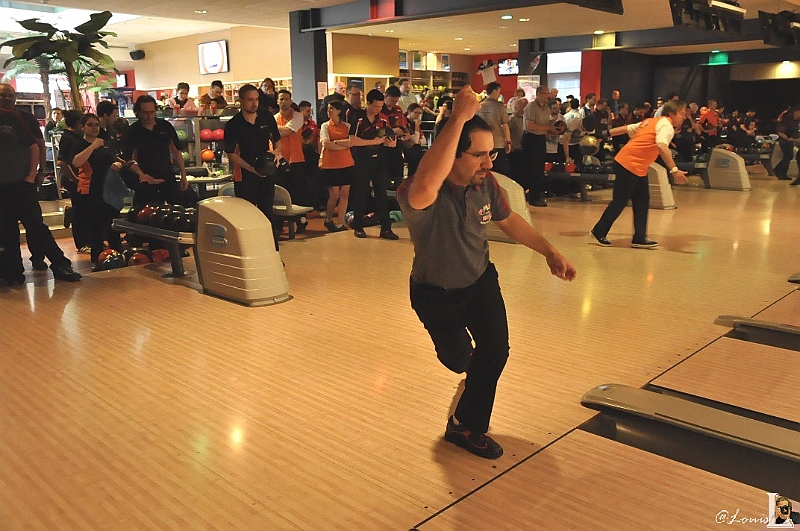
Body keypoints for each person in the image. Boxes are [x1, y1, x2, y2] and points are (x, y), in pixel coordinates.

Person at [396, 84, 576, 459]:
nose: (489, 163)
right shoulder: (418, 192)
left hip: (480, 283)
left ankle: (465, 426)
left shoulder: (486, 184)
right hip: (435, 296)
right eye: (478, 155)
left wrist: (549, 251)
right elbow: (427, 183)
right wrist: (457, 117)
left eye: (491, 153)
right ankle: (469, 378)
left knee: (494, 352)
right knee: (460, 361)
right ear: (451, 154)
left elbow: (508, 220)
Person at [0, 83, 81, 284]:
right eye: (2, 95)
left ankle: (60, 265)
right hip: (3, 188)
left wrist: (34, 174)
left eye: (10, 95)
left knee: (36, 226)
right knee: (7, 230)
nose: (6, 99)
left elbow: (36, 146)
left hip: (21, 183)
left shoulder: (19, 118)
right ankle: (12, 272)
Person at [590, 100, 690, 249]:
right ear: (671, 113)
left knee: (642, 201)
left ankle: (639, 237)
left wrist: (603, 135)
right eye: (682, 113)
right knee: (620, 201)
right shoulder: (666, 126)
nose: (684, 117)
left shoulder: (651, 121)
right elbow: (662, 146)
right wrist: (674, 170)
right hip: (629, 164)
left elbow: (626, 129)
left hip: (635, 165)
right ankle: (599, 231)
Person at [224, 84, 283, 249]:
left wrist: (276, 154)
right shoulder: (233, 124)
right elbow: (231, 154)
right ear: (241, 100)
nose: (254, 103)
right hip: (245, 175)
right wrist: (251, 168)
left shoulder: (266, 117)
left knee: (267, 212)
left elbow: (278, 141)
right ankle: (250, 251)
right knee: (248, 215)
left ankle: (272, 251)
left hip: (266, 172)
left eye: (256, 99)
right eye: (250, 100)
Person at [71, 113, 124, 268]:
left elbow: (112, 159)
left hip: (107, 189)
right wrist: (93, 146)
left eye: (96, 125)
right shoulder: (80, 144)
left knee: (113, 225)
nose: (94, 128)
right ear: (83, 127)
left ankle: (117, 256)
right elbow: (76, 162)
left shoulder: (104, 143)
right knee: (96, 228)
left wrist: (117, 164)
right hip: (91, 190)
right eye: (90, 125)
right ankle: (97, 260)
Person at [347, 89, 398, 240]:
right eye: (375, 106)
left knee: (381, 193)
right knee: (360, 193)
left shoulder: (383, 119)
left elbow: (390, 136)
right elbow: (352, 140)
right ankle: (358, 226)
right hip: (362, 159)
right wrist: (373, 142)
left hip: (380, 160)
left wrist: (392, 143)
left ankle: (386, 228)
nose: (378, 110)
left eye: (380, 107)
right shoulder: (358, 118)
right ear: (368, 103)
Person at [122, 95, 188, 206]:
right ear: (138, 112)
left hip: (167, 175)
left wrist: (183, 175)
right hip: (145, 179)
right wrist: (142, 174)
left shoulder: (165, 126)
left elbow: (176, 152)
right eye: (145, 113)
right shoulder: (133, 131)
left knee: (176, 209)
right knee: (145, 211)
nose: (149, 116)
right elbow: (128, 159)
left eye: (152, 112)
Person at [319, 100, 353, 232]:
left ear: (339, 111)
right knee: (334, 195)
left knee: (345, 194)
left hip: (346, 163)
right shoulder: (325, 126)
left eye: (332, 108)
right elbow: (326, 143)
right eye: (328, 108)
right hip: (331, 164)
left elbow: (351, 142)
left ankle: (340, 222)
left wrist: (336, 143)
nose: (329, 111)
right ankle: (328, 219)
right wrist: (342, 145)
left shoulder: (347, 126)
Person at [523, 85, 559, 207]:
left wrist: (552, 129)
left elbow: (546, 124)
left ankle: (537, 194)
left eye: (548, 94)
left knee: (539, 168)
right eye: (545, 94)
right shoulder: (531, 107)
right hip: (531, 139)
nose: (547, 96)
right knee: (533, 168)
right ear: (538, 94)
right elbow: (530, 126)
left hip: (540, 138)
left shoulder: (546, 108)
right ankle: (533, 197)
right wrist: (548, 128)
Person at [476, 82, 511, 177]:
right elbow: (505, 126)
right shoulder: (500, 107)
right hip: (498, 143)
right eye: (499, 91)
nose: (499, 94)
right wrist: (508, 142)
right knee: (500, 172)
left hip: (482, 143)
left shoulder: (479, 106)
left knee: (484, 170)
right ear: (494, 91)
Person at [774, 106, 800, 183]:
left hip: (791, 140)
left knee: (789, 156)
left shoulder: (796, 121)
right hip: (785, 140)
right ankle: (779, 171)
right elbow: (781, 132)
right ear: (797, 111)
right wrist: (790, 139)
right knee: (788, 156)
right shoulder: (787, 119)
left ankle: (780, 171)